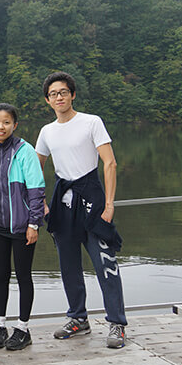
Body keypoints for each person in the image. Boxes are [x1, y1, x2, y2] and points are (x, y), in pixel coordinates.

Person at [36, 71, 127, 349]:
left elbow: (109, 164)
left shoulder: (91, 122)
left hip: (92, 201)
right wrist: (41, 204)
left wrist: (109, 205)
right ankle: (78, 318)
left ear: (72, 94)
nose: (59, 97)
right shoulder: (47, 131)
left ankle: (117, 323)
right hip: (63, 205)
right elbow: (34, 167)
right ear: (48, 100)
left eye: (63, 92)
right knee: (68, 266)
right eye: (53, 94)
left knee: (105, 263)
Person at [0, 103, 45, 351]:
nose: (1, 126)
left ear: (14, 125)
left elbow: (36, 189)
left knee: (24, 276)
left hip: (21, 226)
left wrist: (34, 223)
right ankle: (0, 325)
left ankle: (23, 329)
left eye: (6, 122)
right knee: (1, 276)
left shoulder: (25, 151)